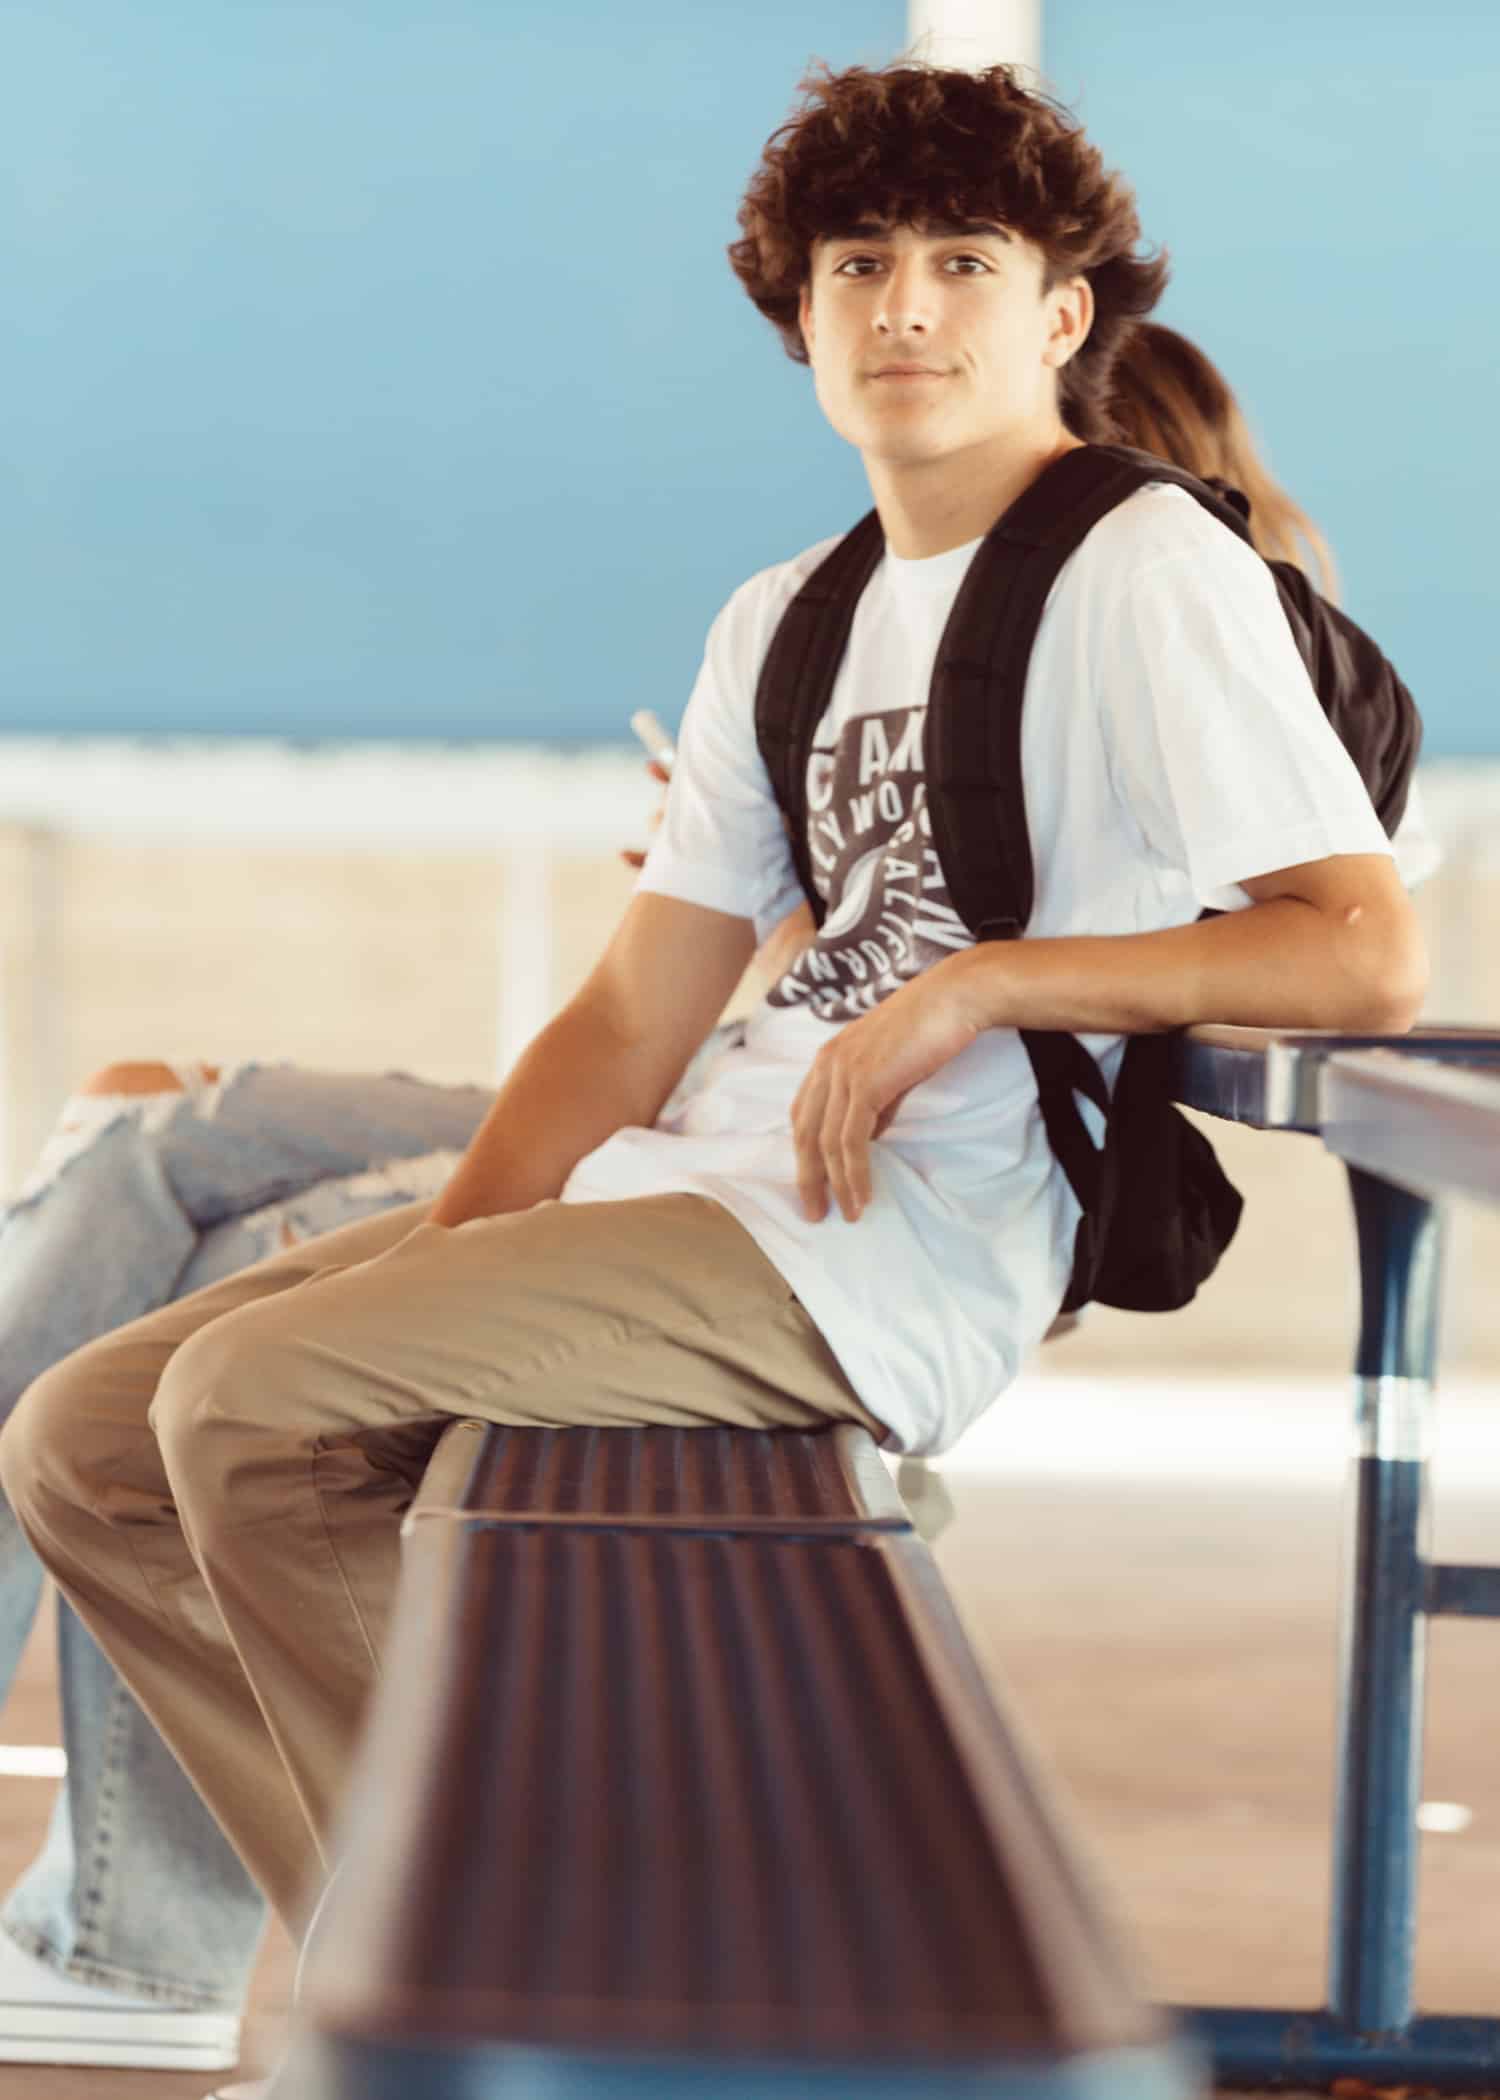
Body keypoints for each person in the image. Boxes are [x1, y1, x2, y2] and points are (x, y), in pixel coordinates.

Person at [0, 61, 1428, 2096]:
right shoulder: (796, 612)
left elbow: (1361, 951)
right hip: (691, 1186)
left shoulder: (1144, 567)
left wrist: (987, 987)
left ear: (1061, 315)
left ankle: (472, 1986)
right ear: (802, 312)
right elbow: (626, 1020)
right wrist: (443, 1245)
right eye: (862, 265)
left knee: (250, 1411)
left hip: (886, 1244)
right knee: (84, 1440)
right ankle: (435, 1952)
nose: (908, 307)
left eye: (966, 262)